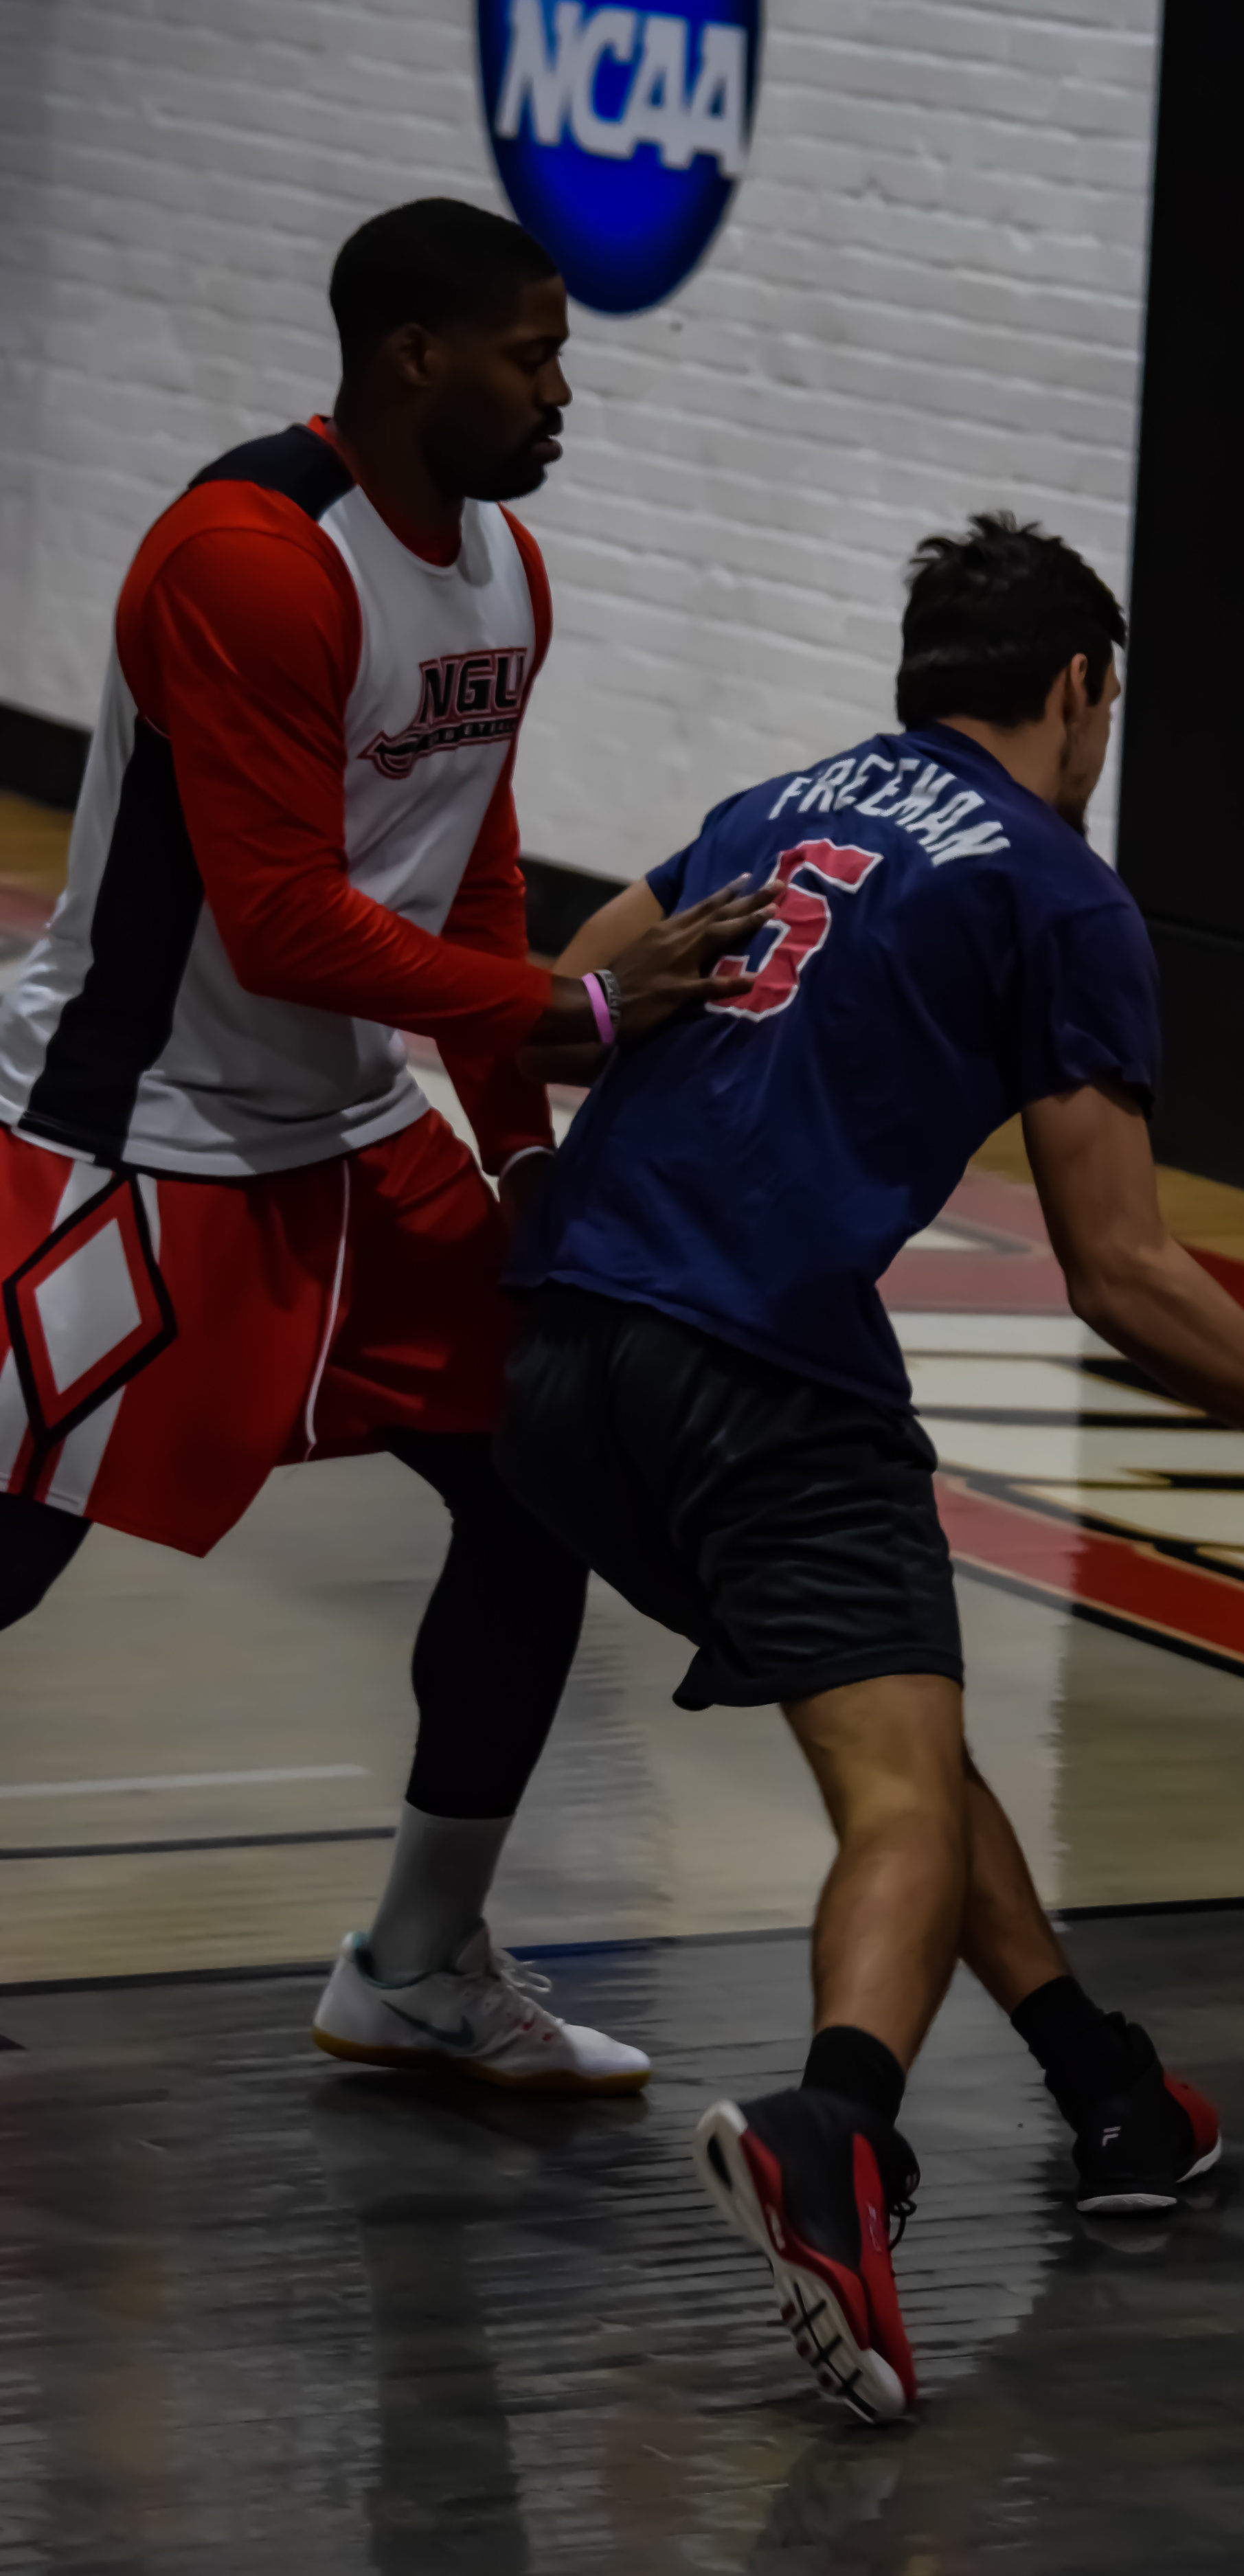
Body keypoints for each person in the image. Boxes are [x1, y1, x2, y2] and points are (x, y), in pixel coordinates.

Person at [494, 513, 1244, 2415]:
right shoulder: (1058, 889)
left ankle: (1107, 2094)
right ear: (1077, 691)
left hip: (560, 1360)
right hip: (758, 1373)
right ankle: (837, 2139)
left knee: (896, 1723)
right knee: (893, 1799)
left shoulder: (766, 805)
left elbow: (557, 994)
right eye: (1108, 709)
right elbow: (1123, 1272)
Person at [0, 197, 770, 2093]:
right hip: (138, 1140)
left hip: (349, 1137)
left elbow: (471, 871)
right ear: (413, 355)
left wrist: (514, 1145)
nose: (561, 388)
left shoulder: (505, 572)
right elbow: (276, 919)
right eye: (532, 351)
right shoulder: (245, 561)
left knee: (536, 1495)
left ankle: (413, 1968)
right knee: (8, 1555)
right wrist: (577, 1020)